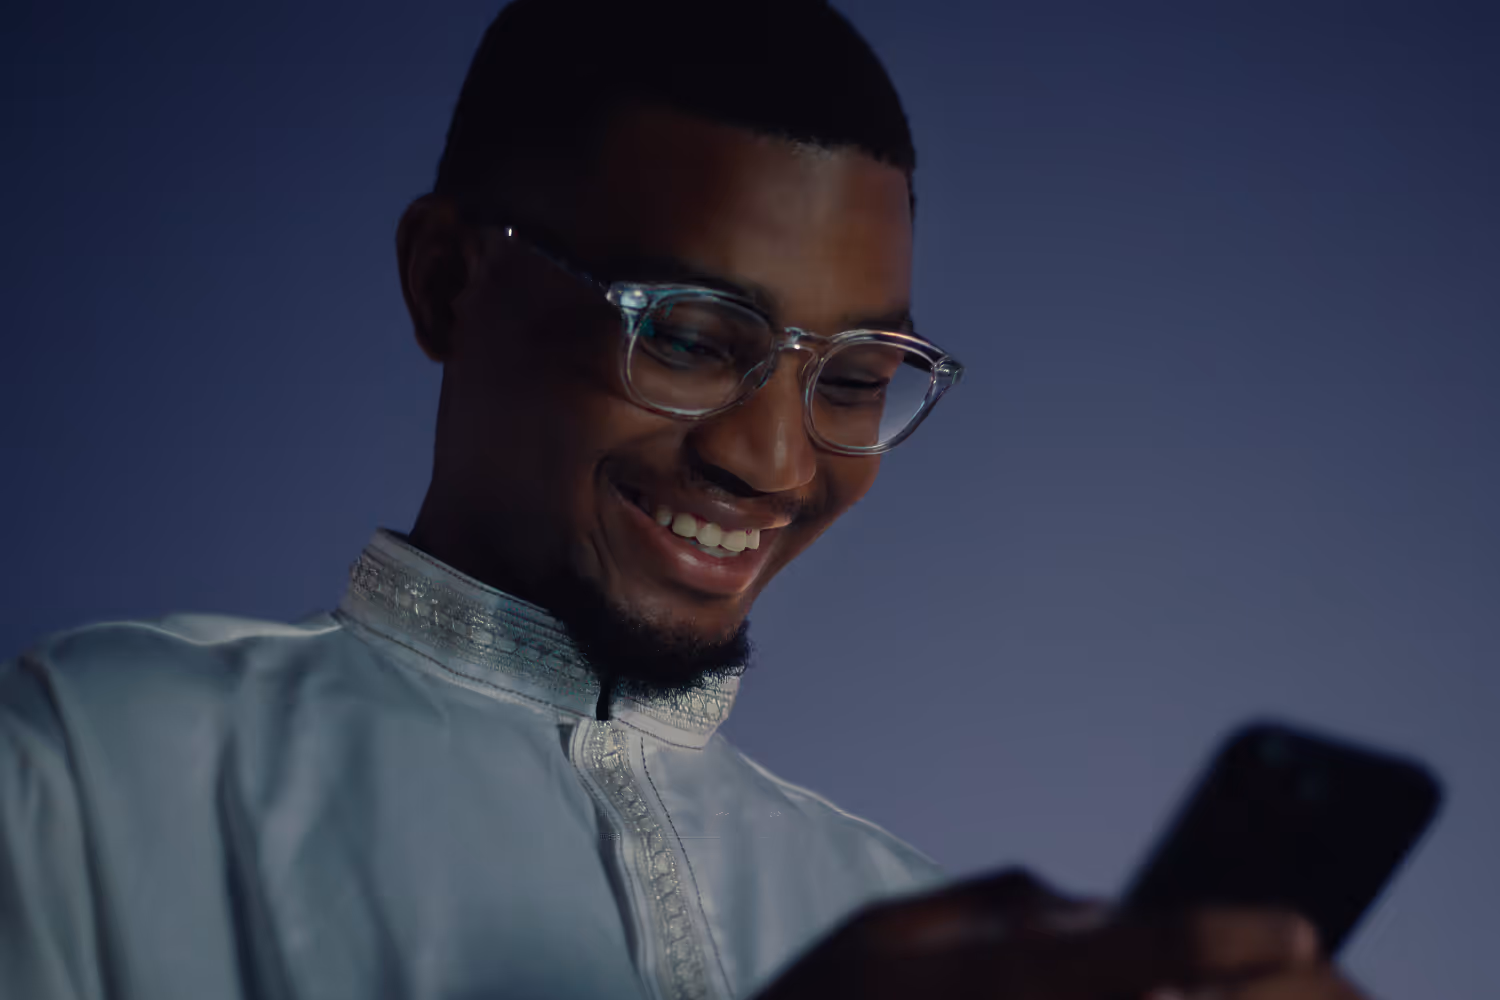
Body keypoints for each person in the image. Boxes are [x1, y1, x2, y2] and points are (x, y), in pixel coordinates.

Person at [0, 1, 1373, 998]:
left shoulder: (916, 927)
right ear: (449, 284)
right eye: (690, 337)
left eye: (854, 377)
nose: (773, 463)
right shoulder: (86, 769)